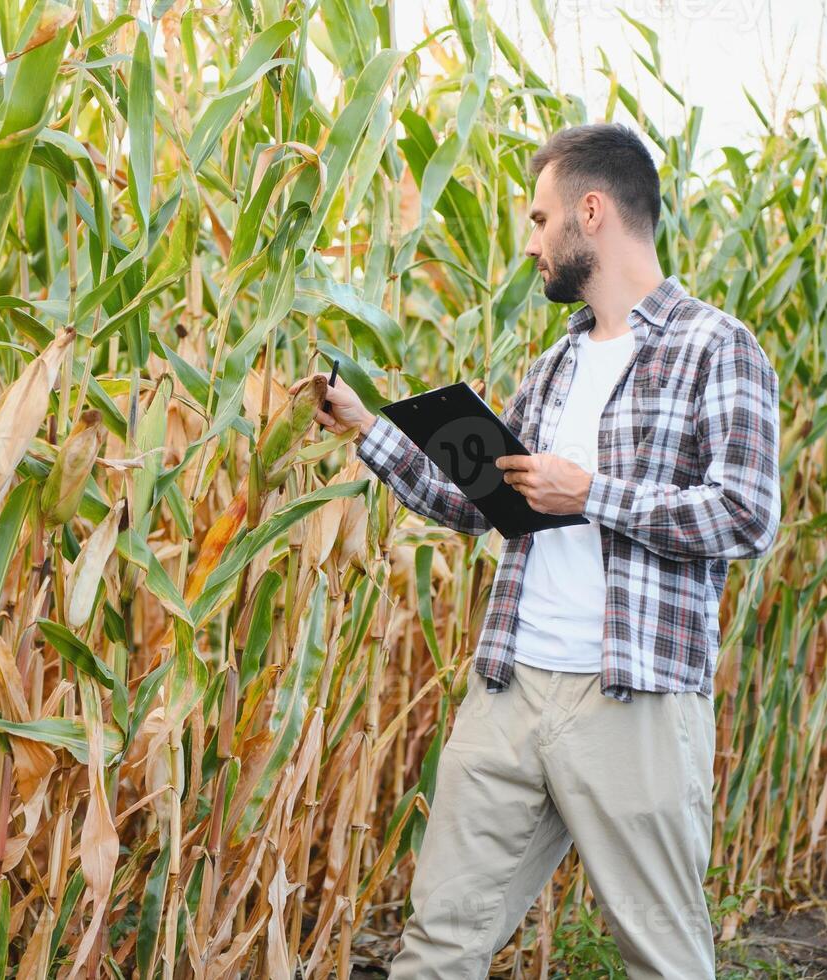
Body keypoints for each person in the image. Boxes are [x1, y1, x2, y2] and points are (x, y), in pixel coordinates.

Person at [309, 122, 782, 978]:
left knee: (663, 958)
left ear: (590, 212)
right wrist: (369, 427)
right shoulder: (551, 367)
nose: (530, 243)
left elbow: (747, 515)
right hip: (510, 688)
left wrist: (590, 494)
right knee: (437, 945)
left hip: (631, 698)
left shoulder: (716, 348)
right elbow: (475, 506)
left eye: (538, 219)